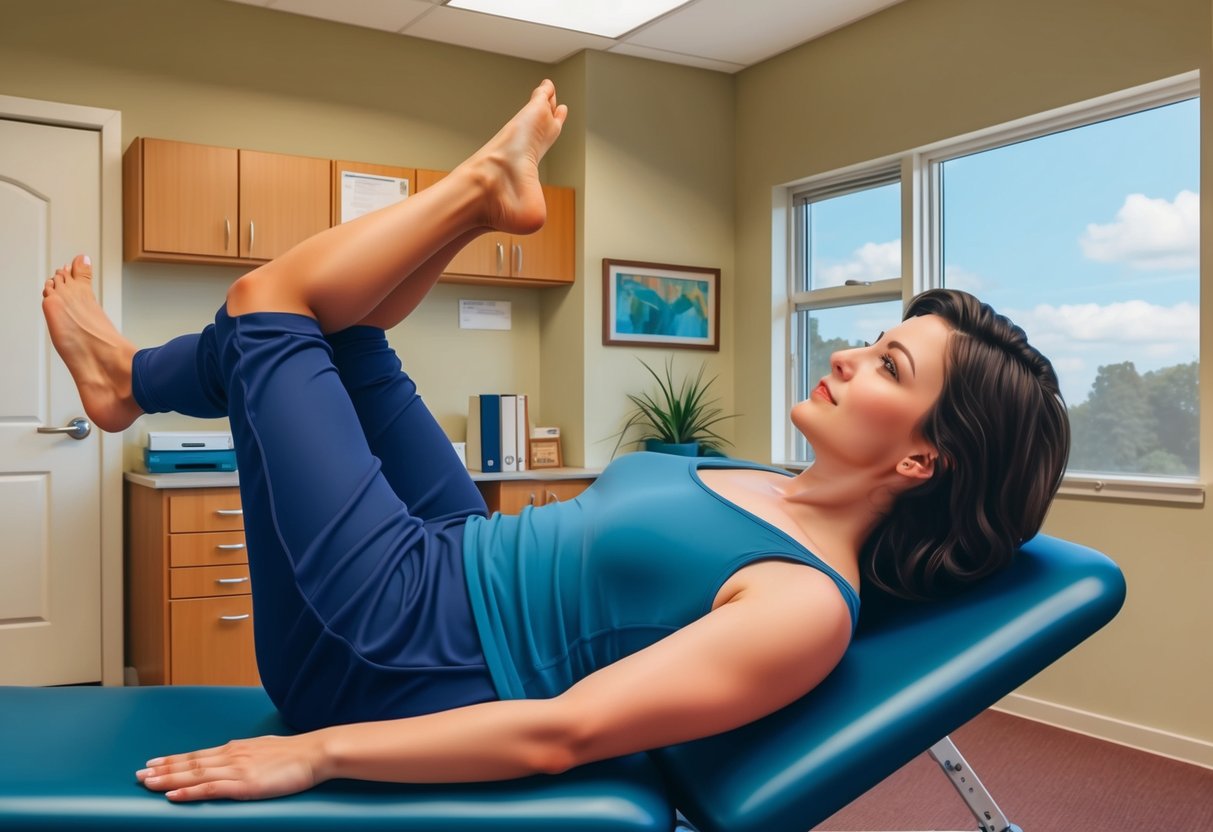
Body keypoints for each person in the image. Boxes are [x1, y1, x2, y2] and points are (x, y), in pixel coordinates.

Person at [42, 80, 1069, 803]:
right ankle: (133, 378)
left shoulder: (805, 604)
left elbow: (563, 729)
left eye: (889, 368)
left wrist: (319, 754)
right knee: (347, 328)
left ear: (922, 460)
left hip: (393, 639)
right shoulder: (760, 476)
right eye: (873, 341)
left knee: (269, 304)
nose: (848, 357)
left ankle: (137, 375)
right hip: (449, 546)